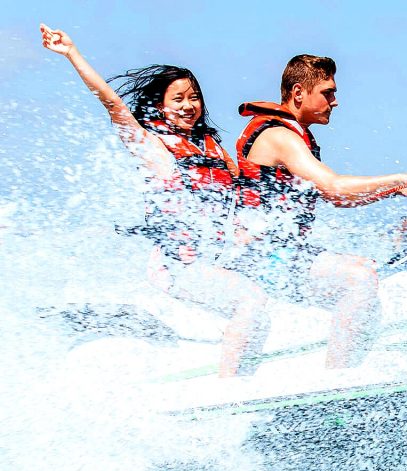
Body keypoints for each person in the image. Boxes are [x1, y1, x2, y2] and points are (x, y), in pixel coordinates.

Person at [40, 24, 269, 377]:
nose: (188, 105)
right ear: (159, 106)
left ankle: (239, 364)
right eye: (177, 99)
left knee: (262, 295)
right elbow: (111, 101)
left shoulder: (213, 149)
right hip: (178, 265)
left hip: (218, 258)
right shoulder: (153, 147)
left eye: (193, 97)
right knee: (250, 301)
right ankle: (231, 389)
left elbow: (245, 198)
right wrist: (72, 53)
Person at [234, 54, 407, 368]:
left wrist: (394, 190)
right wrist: (400, 177)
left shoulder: (295, 136)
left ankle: (349, 366)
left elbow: (340, 200)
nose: (335, 101)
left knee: (366, 270)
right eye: (327, 93)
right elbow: (335, 187)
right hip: (261, 260)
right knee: (358, 278)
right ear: (299, 93)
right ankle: (336, 381)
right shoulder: (279, 137)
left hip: (282, 256)